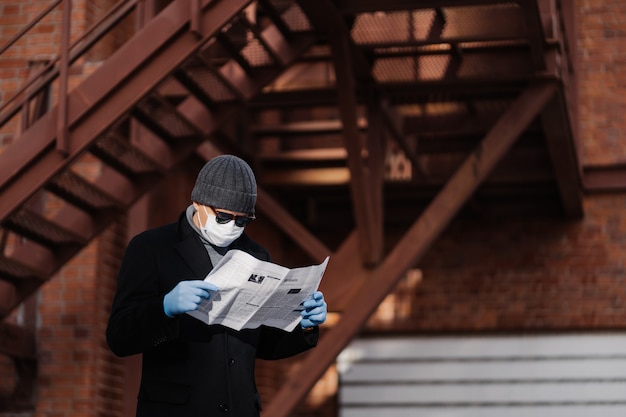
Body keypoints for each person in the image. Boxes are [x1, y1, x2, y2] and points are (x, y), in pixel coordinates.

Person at [106, 154, 327, 417]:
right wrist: (164, 308)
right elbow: (120, 337)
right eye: (223, 217)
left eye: (242, 221)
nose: (232, 226)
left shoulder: (257, 256)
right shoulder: (151, 248)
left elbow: (263, 344)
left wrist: (304, 324)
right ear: (198, 202)